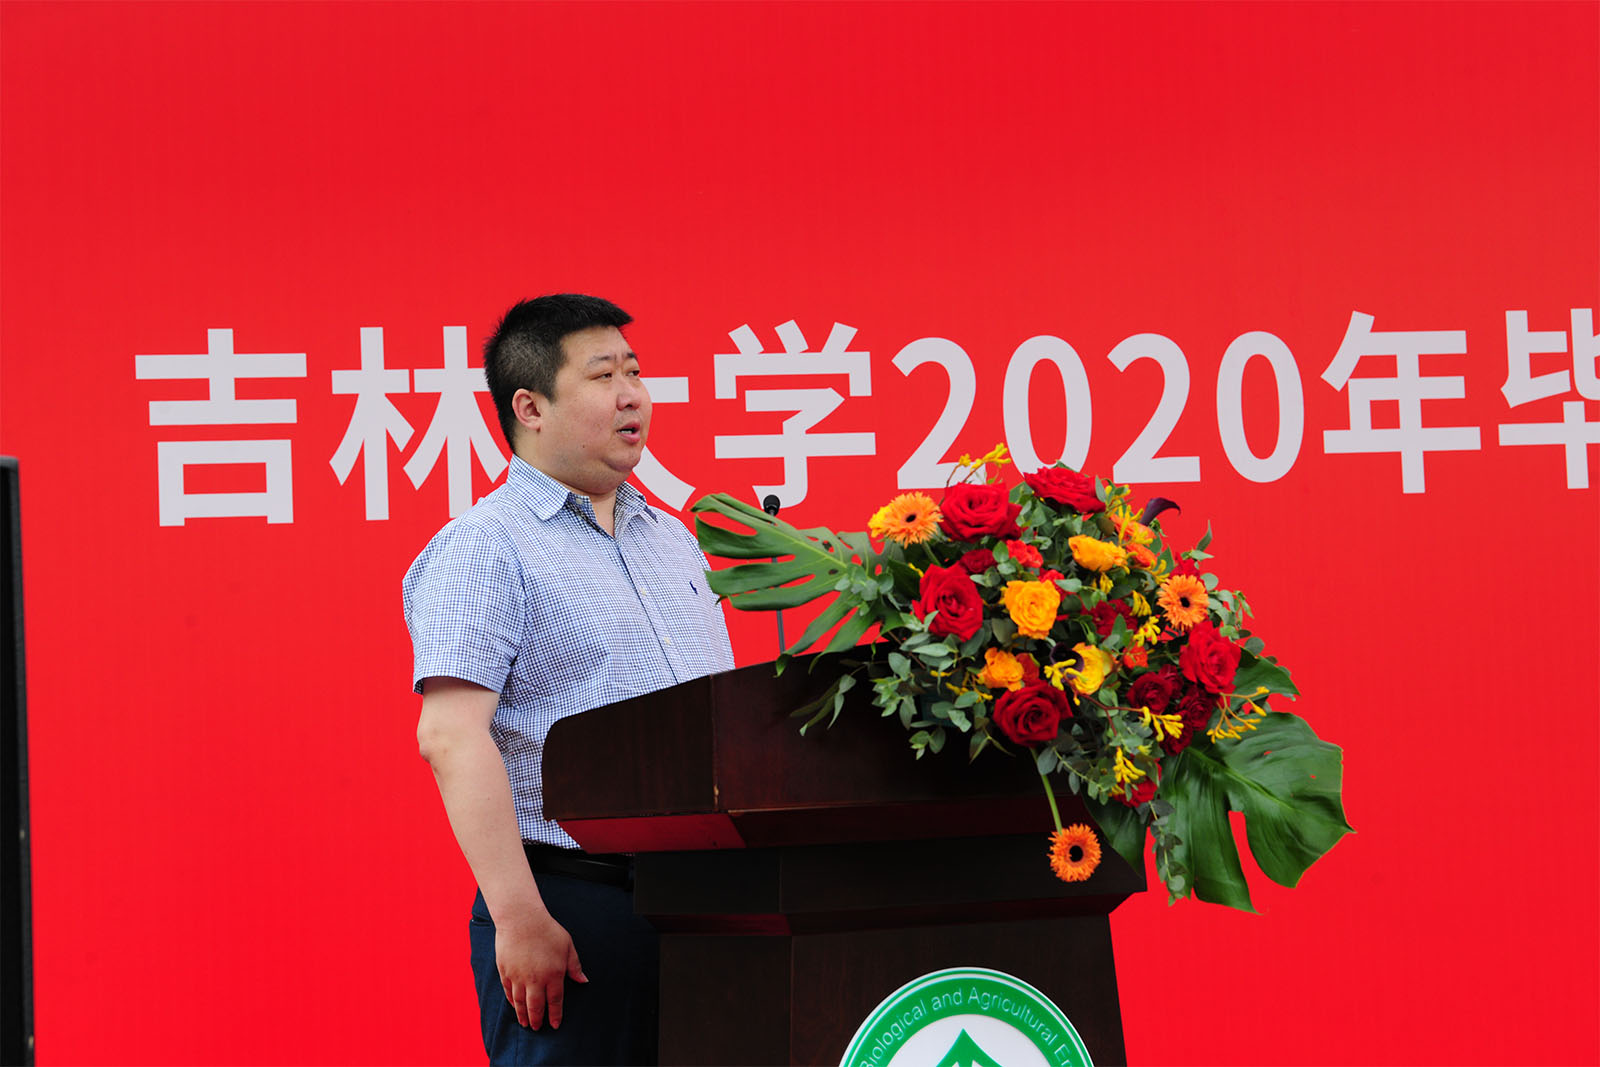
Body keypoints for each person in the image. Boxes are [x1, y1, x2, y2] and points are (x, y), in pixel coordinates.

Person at [403, 294, 734, 1065]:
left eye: (635, 372)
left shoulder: (674, 539)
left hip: (713, 910)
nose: (632, 395)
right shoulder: (486, 546)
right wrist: (519, 917)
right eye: (603, 375)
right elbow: (450, 735)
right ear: (530, 407)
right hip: (576, 908)